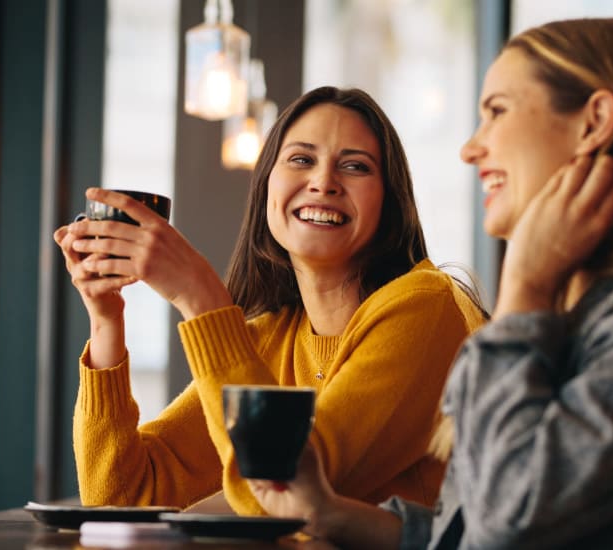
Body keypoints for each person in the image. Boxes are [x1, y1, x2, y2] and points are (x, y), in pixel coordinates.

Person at [246, 18, 613, 549]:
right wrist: (331, 514)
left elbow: (512, 521)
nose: (471, 148)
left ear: (593, 122)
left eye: (497, 112)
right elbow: (478, 531)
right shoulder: (585, 312)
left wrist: (524, 290)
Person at [53, 86, 488, 515]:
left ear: (389, 202)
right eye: (301, 159)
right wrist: (106, 319)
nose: (323, 182)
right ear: (266, 189)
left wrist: (199, 295)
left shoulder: (424, 307)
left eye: (355, 167)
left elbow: (287, 490)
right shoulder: (270, 339)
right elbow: (121, 498)